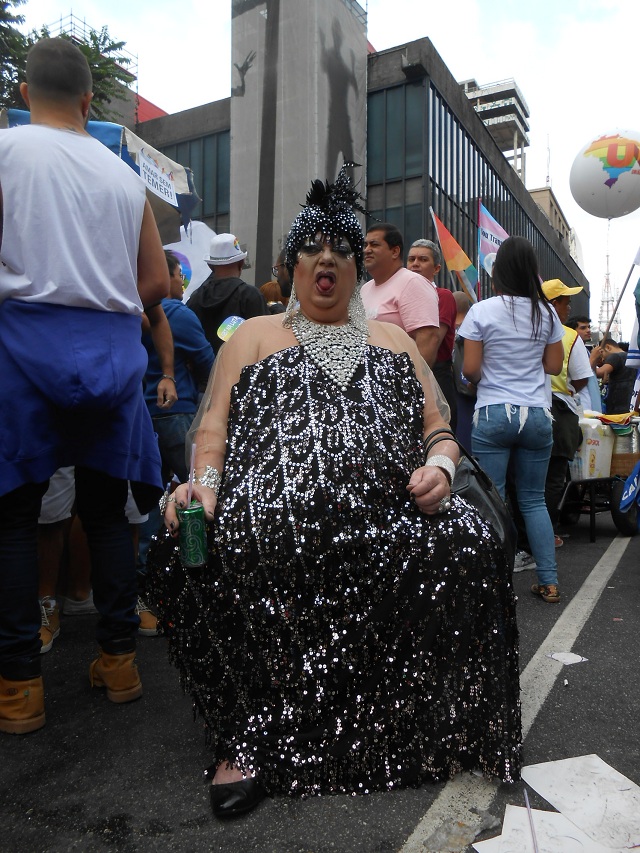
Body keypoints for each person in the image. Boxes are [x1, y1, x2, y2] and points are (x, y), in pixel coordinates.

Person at [147, 167, 522, 817]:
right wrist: (202, 488)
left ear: (356, 268)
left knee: (470, 538)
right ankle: (248, 734)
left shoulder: (394, 339)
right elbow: (212, 430)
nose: (327, 257)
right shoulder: (256, 335)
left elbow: (440, 429)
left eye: (341, 248)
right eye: (312, 247)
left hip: (382, 502)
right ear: (291, 266)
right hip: (272, 504)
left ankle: (411, 710)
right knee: (211, 541)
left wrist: (439, 464)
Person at [0, 38, 168, 734]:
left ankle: (19, 690)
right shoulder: (125, 177)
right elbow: (156, 284)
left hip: (19, 345)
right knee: (105, 513)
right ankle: (120, 660)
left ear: (20, 92)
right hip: (109, 352)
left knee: (12, 516)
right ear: (90, 100)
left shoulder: (6, 153)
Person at [459, 237, 565, 603]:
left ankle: (495, 583)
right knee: (533, 500)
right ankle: (549, 581)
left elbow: (470, 370)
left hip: (493, 413)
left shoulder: (481, 311)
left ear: (498, 271)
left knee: (494, 500)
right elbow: (554, 366)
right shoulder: (547, 313)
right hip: (536, 414)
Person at [540, 280, 592, 543]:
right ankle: (547, 534)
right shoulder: (569, 336)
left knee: (524, 479)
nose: (569, 306)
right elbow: (582, 378)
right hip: (559, 411)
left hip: (526, 406)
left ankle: (521, 537)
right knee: (554, 477)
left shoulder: (524, 328)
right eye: (564, 301)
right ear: (552, 304)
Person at [361, 224, 440, 367]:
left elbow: (428, 339)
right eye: (365, 245)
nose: (367, 250)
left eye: (374, 244)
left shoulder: (412, 283)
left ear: (395, 251)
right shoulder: (364, 289)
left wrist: (410, 384)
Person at [187, 233, 269, 355]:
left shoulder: (194, 298)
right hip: (241, 371)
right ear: (241, 263)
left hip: (204, 372)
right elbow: (264, 343)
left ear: (211, 266)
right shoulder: (251, 296)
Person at [406, 239, 458, 429]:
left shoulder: (443, 296)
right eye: (411, 259)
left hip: (435, 378)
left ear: (436, 268)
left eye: (422, 259)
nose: (415, 264)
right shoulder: (400, 296)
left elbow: (431, 341)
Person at [589, 338, 637, 415]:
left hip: (616, 406)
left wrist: (593, 359)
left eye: (602, 354)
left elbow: (599, 373)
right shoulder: (630, 358)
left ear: (608, 347)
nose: (603, 359)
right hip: (629, 403)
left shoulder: (615, 357)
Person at [566, 315, 602, 413]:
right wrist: (593, 358)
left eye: (588, 327)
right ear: (572, 331)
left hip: (591, 402)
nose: (588, 330)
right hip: (582, 404)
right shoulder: (571, 349)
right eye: (583, 328)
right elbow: (581, 375)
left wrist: (594, 361)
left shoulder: (586, 350)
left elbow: (591, 374)